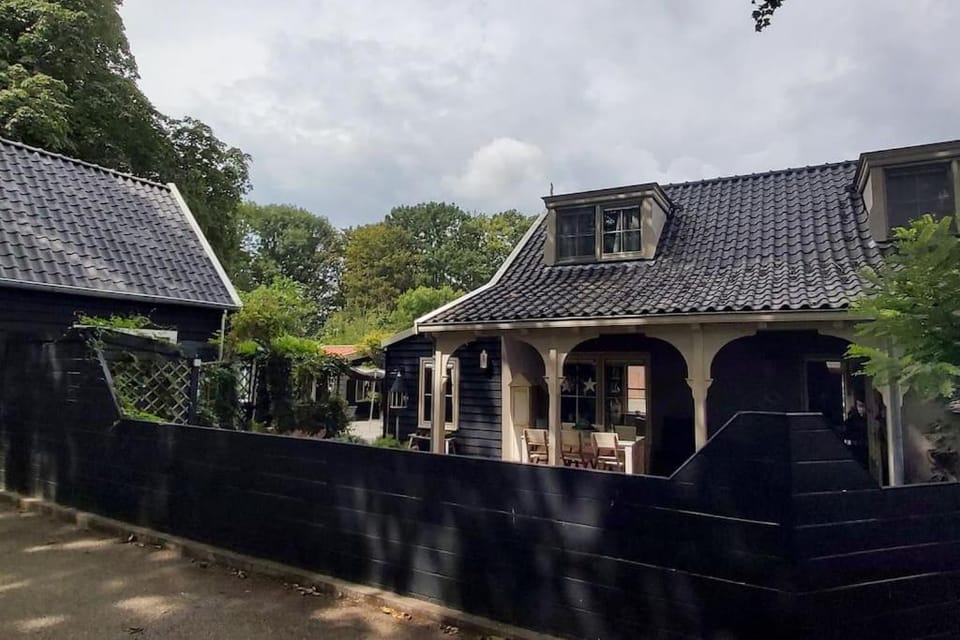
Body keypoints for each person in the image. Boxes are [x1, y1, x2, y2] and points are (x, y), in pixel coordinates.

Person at [843, 399, 869, 469]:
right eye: (859, 406)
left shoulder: (870, 421)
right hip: (856, 449)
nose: (860, 409)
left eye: (862, 406)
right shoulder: (852, 421)